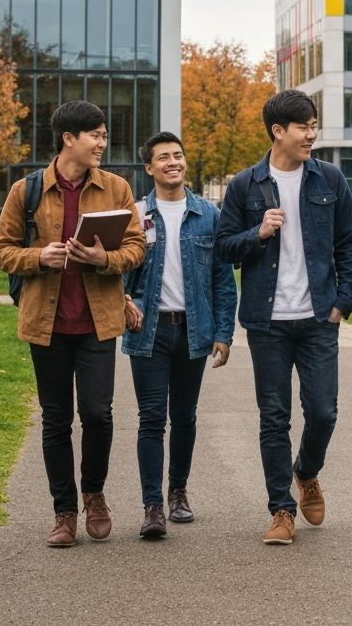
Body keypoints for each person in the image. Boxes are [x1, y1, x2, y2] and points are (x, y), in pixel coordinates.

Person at [0, 100, 145, 548]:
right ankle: (64, 511)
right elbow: (0, 251)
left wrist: (105, 259)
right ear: (68, 140)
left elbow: (137, 247)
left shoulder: (117, 187)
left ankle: (94, 494)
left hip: (98, 323)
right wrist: (38, 256)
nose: (102, 143)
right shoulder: (27, 190)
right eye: (95, 135)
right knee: (56, 420)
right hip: (47, 324)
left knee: (98, 415)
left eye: (103, 135)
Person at [216, 89, 352, 546]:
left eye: (313, 125)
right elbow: (223, 247)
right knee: (273, 417)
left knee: (323, 412)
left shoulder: (330, 180)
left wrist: (343, 302)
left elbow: (348, 246)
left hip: (319, 317)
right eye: (303, 126)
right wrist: (257, 233)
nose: (311, 134)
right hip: (267, 321)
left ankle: (307, 472)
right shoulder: (245, 185)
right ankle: (281, 509)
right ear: (278, 131)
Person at [122, 131, 237, 539]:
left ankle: (178, 493)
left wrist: (224, 333)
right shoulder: (135, 215)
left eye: (178, 155)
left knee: (184, 417)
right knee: (151, 418)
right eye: (163, 157)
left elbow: (223, 281)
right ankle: (152, 506)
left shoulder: (209, 215)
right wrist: (122, 300)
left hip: (193, 331)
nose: (173, 162)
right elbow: (117, 269)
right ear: (149, 168)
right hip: (148, 331)